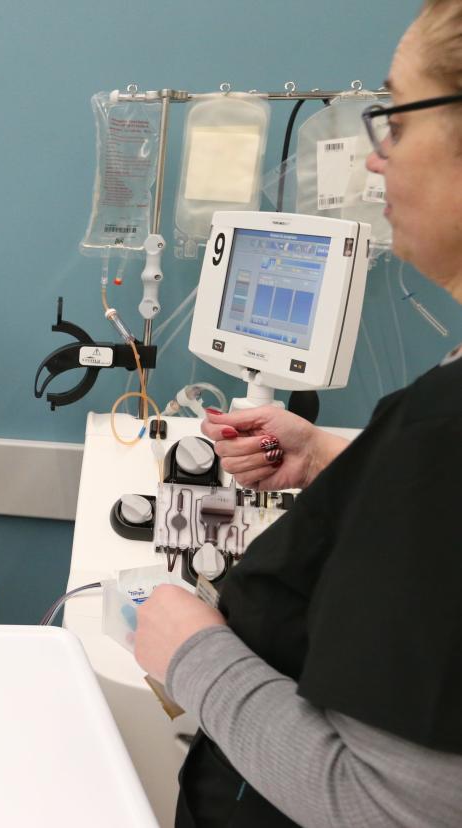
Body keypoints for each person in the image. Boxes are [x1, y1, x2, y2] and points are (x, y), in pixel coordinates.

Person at [134, 3, 462, 825]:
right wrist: (334, 461)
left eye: (392, 119)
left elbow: (388, 805)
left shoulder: (442, 437)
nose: (375, 162)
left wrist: (192, 654)